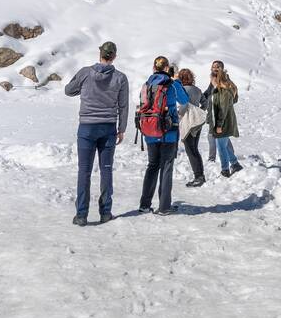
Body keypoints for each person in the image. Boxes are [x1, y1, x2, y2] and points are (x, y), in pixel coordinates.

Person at [64, 41, 131, 226]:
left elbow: (68, 90)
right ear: (114, 56)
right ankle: (105, 212)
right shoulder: (120, 78)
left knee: (84, 171)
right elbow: (124, 106)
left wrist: (82, 87)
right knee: (106, 170)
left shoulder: (85, 73)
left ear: (100, 54)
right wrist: (122, 128)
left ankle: (81, 215)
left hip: (86, 127)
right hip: (108, 127)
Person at [137, 56, 189, 215]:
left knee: (152, 166)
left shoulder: (146, 85)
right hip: (168, 132)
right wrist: (177, 82)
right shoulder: (172, 85)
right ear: (167, 68)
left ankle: (145, 204)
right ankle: (164, 206)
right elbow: (185, 99)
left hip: (150, 130)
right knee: (166, 167)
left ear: (154, 68)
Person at [207, 67, 243, 177]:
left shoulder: (224, 91)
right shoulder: (220, 90)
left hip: (224, 124)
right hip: (224, 123)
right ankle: (235, 164)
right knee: (225, 145)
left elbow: (222, 109)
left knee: (221, 146)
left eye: (211, 79)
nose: (210, 81)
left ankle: (225, 169)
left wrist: (219, 125)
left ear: (216, 79)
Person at [175, 68, 208, 186]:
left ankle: (198, 176)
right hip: (197, 121)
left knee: (190, 150)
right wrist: (199, 111)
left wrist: (178, 116)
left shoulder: (181, 89)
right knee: (194, 148)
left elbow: (183, 105)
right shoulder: (198, 90)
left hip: (187, 122)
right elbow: (206, 103)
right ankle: (200, 175)